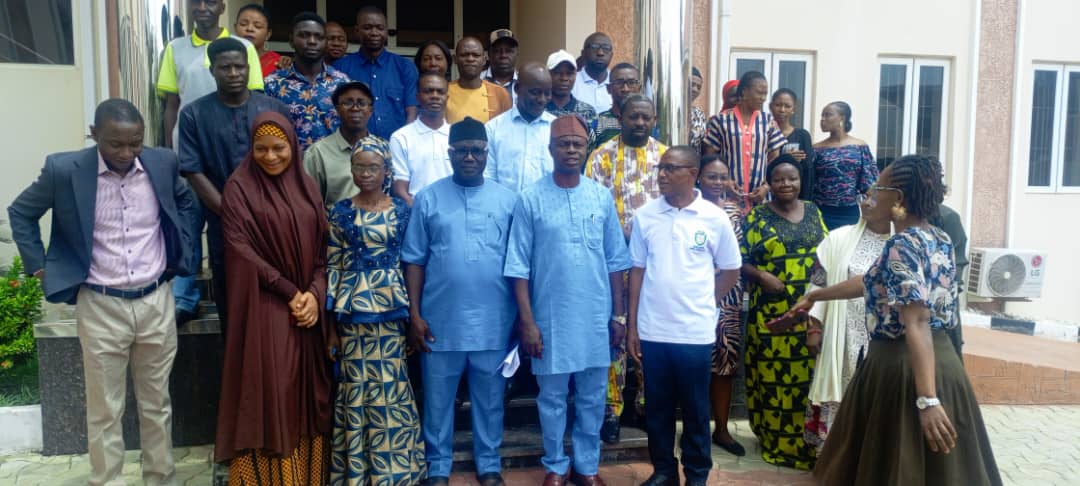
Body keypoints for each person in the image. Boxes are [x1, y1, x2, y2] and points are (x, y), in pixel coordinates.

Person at [9, 99, 196, 485]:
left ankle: (161, 478)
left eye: (135, 143)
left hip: (155, 301)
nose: (126, 153)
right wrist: (39, 266)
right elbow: (21, 212)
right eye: (115, 144)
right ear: (94, 135)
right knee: (105, 409)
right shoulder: (64, 170)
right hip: (100, 303)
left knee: (157, 404)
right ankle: (107, 480)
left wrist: (185, 247)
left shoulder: (162, 162)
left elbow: (185, 201)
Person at [795, 155, 1002, 486]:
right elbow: (870, 281)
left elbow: (916, 321)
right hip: (942, 364)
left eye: (878, 188)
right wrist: (817, 295)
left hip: (903, 370)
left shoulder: (900, 245)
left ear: (899, 199)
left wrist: (927, 400)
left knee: (892, 467)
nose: (871, 195)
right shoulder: (938, 237)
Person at [504, 115, 631, 486]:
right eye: (564, 144)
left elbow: (615, 262)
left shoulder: (600, 197)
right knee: (552, 398)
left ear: (586, 149)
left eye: (578, 144)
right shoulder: (530, 199)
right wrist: (527, 322)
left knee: (593, 397)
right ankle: (555, 466)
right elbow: (517, 267)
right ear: (551, 149)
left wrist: (619, 316)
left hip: (595, 318)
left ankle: (587, 467)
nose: (571, 150)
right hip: (550, 319)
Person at [213, 112, 331, 484]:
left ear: (293, 146)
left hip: (307, 310)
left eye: (279, 148)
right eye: (261, 149)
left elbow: (324, 249)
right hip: (266, 306)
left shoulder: (307, 187)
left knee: (307, 396)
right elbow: (239, 248)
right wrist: (289, 291)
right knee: (275, 390)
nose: (270, 156)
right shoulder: (239, 188)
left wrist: (315, 293)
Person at [401, 117, 517, 486]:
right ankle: (438, 465)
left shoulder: (508, 200)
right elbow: (414, 260)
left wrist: (521, 316)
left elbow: (519, 264)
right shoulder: (428, 198)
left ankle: (489, 464)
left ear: (487, 153)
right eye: (462, 151)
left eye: (477, 151)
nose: (470, 157)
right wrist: (415, 313)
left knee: (490, 399)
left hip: (494, 321)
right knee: (437, 400)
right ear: (450, 153)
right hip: (440, 322)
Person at [627, 147, 742, 486]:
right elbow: (637, 271)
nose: (661, 174)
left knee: (695, 409)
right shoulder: (646, 215)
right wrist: (633, 326)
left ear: (692, 174)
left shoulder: (714, 217)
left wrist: (707, 302)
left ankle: (696, 474)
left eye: (670, 168)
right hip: (653, 330)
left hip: (694, 332)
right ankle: (664, 470)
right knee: (657, 408)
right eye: (660, 168)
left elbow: (731, 270)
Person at [324, 138, 425, 485]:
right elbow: (333, 267)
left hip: (393, 314)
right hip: (352, 316)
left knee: (391, 390)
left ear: (386, 171)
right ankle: (358, 473)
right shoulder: (340, 212)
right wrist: (331, 329)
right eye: (359, 167)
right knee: (356, 391)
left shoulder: (402, 211)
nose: (365, 174)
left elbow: (412, 265)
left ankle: (394, 475)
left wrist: (413, 318)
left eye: (373, 167)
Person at [178, 38, 290, 331]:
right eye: (225, 67)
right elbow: (192, 170)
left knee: (275, 301)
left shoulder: (274, 110)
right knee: (233, 302)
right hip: (224, 224)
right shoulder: (193, 114)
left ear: (249, 67)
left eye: (239, 66)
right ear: (212, 71)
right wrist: (232, 214)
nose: (233, 73)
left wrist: (269, 211)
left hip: (272, 222)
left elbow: (288, 164)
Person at [585, 94, 665, 444]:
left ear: (654, 119)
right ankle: (610, 411)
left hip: (656, 265)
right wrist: (621, 233)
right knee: (615, 335)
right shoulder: (601, 156)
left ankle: (647, 407)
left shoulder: (666, 159)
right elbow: (590, 207)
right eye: (633, 116)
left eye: (646, 117)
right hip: (612, 264)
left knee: (649, 333)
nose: (640, 123)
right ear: (620, 116)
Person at [741, 154, 826, 469]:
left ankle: (808, 443)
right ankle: (776, 443)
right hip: (771, 314)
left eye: (792, 178)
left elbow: (828, 254)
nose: (785, 184)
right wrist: (761, 275)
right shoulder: (757, 216)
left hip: (809, 310)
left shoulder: (814, 211)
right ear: (769, 183)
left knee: (807, 380)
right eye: (778, 179)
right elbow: (739, 259)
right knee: (772, 380)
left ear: (801, 180)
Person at [800, 188, 892, 452]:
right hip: (841, 334)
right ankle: (835, 459)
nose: (866, 202)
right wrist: (813, 329)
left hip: (882, 338)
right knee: (841, 390)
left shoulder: (901, 245)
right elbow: (818, 282)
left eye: (874, 198)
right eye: (864, 196)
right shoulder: (839, 238)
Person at [158, 0, 262, 149]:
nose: (202, 8)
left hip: (232, 141)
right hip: (188, 140)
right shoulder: (175, 47)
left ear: (222, 8)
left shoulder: (244, 47)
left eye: (210, 2)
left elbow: (254, 101)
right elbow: (171, 105)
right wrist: (169, 149)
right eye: (196, 2)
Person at [696, 155, 746, 457]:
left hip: (728, 296)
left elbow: (738, 255)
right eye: (711, 176)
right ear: (699, 177)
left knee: (725, 362)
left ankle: (723, 430)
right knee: (693, 364)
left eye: (723, 176)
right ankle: (696, 430)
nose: (717, 182)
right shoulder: (688, 208)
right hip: (693, 294)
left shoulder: (734, 211)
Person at [703, 71, 787, 214]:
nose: (763, 98)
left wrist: (767, 187)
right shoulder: (721, 120)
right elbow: (710, 158)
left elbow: (775, 159)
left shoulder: (768, 121)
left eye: (765, 94)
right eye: (759, 93)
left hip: (760, 198)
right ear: (744, 91)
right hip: (727, 197)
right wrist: (725, 182)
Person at [265, 12, 350, 151]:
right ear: (291, 40)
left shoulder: (342, 83)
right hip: (290, 162)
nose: (312, 41)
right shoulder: (273, 84)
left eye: (319, 37)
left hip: (332, 162)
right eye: (304, 35)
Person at [333, 6, 419, 139]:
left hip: (395, 146)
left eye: (380, 28)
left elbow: (412, 111)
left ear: (386, 32)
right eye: (367, 28)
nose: (374, 33)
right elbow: (333, 111)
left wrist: (405, 143)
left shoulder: (405, 67)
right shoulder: (340, 67)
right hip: (352, 147)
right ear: (357, 31)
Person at [303, 81, 385, 207]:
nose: (355, 108)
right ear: (337, 109)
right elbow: (310, 205)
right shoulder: (317, 153)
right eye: (348, 103)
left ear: (370, 110)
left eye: (362, 103)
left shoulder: (383, 148)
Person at [484, 62, 556, 193]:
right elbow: (489, 178)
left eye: (547, 93)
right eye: (535, 92)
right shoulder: (493, 128)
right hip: (505, 205)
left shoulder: (557, 129)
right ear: (517, 89)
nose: (542, 99)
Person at [813, 101, 878, 229]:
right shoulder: (816, 149)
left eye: (828, 115)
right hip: (821, 211)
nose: (822, 119)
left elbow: (869, 182)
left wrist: (874, 208)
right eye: (822, 116)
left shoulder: (860, 147)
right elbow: (809, 181)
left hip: (849, 212)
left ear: (842, 118)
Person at [390, 73, 452, 205]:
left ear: (447, 97)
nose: (435, 96)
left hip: (453, 210)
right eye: (428, 91)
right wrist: (418, 211)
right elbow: (399, 188)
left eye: (440, 92)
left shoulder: (457, 136)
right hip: (416, 210)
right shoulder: (401, 137)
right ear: (417, 97)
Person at [446, 36, 512, 124]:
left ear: (484, 60)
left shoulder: (500, 94)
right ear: (455, 59)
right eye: (464, 55)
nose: (470, 59)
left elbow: (508, 128)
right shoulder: (443, 92)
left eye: (476, 55)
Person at [770, 89, 815, 200]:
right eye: (778, 105)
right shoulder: (762, 133)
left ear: (794, 109)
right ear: (770, 106)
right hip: (767, 194)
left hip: (794, 197)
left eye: (787, 106)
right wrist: (787, 158)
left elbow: (807, 170)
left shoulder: (802, 135)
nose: (782, 110)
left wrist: (805, 201)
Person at [590, 63, 645, 152]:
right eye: (619, 83)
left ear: (639, 88)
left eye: (631, 83)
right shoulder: (597, 123)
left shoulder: (646, 123)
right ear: (609, 88)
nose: (625, 89)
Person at [546, 50, 597, 126]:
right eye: (558, 73)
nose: (564, 78)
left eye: (569, 73)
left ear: (575, 75)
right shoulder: (539, 109)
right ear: (548, 75)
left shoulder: (587, 112)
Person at [234, 3, 283, 79]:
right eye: (243, 24)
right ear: (235, 28)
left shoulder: (279, 63)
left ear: (268, 34)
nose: (249, 29)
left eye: (257, 26)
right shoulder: (224, 58)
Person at [572, 32, 614, 113]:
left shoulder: (617, 83)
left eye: (606, 48)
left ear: (611, 55)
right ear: (583, 53)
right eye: (594, 47)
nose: (600, 53)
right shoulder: (572, 82)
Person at [483, 29, 519, 103]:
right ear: (489, 54)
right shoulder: (478, 81)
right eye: (497, 51)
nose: (503, 55)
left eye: (509, 51)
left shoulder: (524, 82)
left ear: (517, 54)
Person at [689, 67, 708, 152]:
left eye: (699, 87)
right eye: (692, 84)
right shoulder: (671, 112)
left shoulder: (700, 115)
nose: (695, 89)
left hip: (694, 159)